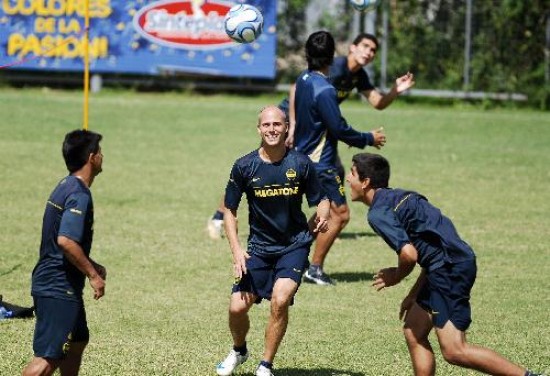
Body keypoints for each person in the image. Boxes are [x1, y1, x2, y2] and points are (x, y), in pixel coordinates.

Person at [205, 33, 415, 244]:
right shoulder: (334, 67)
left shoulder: (358, 76)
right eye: (365, 46)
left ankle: (324, 221)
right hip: (290, 118)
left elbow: (378, 102)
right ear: (352, 48)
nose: (368, 53)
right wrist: (293, 125)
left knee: (334, 171)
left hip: (314, 128)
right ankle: (218, 218)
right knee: (259, 168)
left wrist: (395, 90)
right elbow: (297, 87)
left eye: (373, 50)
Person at [346, 152, 543, 376]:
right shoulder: (403, 197)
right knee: (414, 329)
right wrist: (414, 294)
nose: (348, 179)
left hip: (449, 269)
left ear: (366, 182)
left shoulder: (378, 213)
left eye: (352, 174)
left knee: (455, 350)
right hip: (450, 262)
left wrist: (396, 276)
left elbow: (409, 254)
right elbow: (432, 250)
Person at [215, 106, 330, 376]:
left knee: (280, 299)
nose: (272, 130)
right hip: (258, 249)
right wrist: (237, 252)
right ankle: (239, 350)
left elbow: (322, 200)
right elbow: (230, 211)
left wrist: (322, 216)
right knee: (236, 308)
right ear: (259, 129)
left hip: (294, 245)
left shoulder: (301, 163)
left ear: (286, 127)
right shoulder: (245, 165)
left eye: (277, 124)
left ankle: (265, 365)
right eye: (266, 125)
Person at [291, 30, 387, 286]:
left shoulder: (303, 78)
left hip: (304, 155)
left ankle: (291, 252)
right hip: (321, 162)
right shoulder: (325, 90)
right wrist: (369, 138)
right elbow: (340, 129)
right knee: (340, 215)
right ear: (332, 56)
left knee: (325, 213)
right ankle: (314, 269)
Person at [23, 129, 107, 376]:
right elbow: (66, 241)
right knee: (48, 358)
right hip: (57, 287)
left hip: (60, 283)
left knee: (77, 341)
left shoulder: (65, 184)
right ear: (92, 158)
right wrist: (93, 275)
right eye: (100, 152)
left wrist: (91, 263)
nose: (103, 156)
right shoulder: (79, 194)